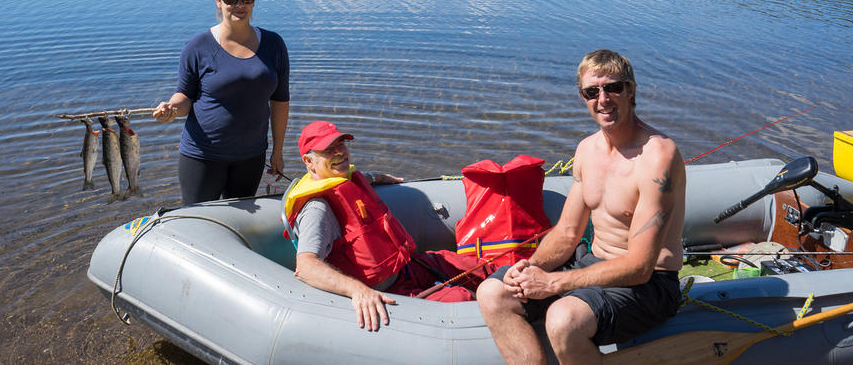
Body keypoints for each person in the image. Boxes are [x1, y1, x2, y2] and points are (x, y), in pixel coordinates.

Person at [477, 49, 685, 365]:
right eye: (592, 91)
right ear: (583, 97)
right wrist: (532, 267)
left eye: (613, 87)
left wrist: (554, 283)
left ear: (631, 90)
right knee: (492, 293)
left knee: (563, 318)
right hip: (589, 266)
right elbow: (568, 232)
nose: (603, 99)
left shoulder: (658, 157)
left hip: (649, 285)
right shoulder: (587, 150)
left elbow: (641, 267)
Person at [284, 120, 494, 331]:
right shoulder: (317, 209)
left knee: (472, 266)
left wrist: (376, 177)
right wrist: (357, 290)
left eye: (342, 145)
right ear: (309, 162)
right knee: (462, 299)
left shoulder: (343, 178)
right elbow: (306, 267)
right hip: (387, 291)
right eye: (329, 149)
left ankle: (517, 282)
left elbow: (355, 178)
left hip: (404, 268)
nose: (340, 153)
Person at [154, 0, 290, 205]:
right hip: (203, 156)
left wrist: (277, 151)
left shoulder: (274, 44)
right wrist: (172, 108)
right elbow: (185, 96)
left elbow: (280, 101)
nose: (240, 5)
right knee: (196, 224)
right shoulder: (197, 47)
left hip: (251, 156)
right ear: (218, 0)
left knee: (239, 225)